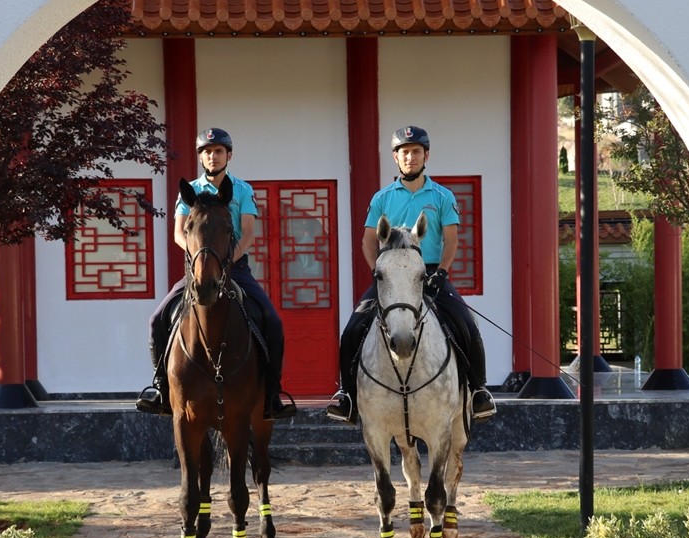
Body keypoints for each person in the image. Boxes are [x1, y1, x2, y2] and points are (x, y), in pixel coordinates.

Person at [326, 125, 496, 423]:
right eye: (404, 152)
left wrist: (442, 272)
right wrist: (378, 273)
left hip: (429, 272)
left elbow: (452, 239)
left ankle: (479, 391)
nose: (410, 157)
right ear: (396, 158)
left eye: (416, 151)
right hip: (391, 274)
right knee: (353, 328)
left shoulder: (442, 196)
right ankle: (347, 395)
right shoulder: (382, 198)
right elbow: (368, 240)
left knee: (466, 323)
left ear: (426, 155)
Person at [137, 127, 296, 419]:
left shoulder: (243, 190)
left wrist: (226, 263)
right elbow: (178, 233)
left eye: (218, 151)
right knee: (156, 319)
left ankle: (272, 394)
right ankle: (160, 389)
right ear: (201, 157)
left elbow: (248, 234)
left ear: (229, 155)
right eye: (207, 152)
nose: (213, 156)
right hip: (199, 270)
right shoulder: (190, 191)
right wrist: (200, 261)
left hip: (237, 269)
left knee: (272, 321)